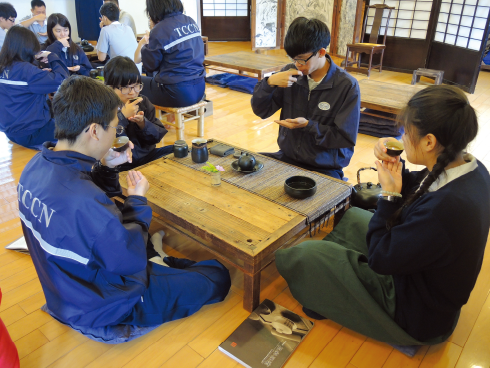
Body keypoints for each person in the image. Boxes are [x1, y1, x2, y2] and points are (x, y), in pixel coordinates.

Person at [275, 85, 490, 345]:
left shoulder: (448, 209)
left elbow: (381, 258)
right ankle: (335, 273)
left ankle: (327, 286)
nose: (402, 137)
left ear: (430, 141)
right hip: (425, 279)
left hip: (418, 314)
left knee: (305, 256)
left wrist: (389, 195)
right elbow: (423, 186)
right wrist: (396, 172)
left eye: (406, 132)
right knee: (355, 217)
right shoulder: (470, 168)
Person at [18, 75, 231, 336]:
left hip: (67, 291)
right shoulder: (82, 201)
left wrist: (105, 168)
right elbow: (128, 257)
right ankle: (161, 262)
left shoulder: (34, 166)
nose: (116, 135)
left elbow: (95, 220)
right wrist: (138, 201)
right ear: (94, 131)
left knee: (150, 251)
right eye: (114, 128)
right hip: (107, 303)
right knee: (218, 275)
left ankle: (160, 262)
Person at [251, 17, 360, 180]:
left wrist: (309, 125)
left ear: (321, 52)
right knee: (244, 169)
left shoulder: (346, 85)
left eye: (301, 59)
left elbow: (344, 138)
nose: (296, 64)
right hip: (287, 158)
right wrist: (269, 82)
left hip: (324, 167)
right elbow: (261, 111)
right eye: (292, 58)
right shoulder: (290, 73)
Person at [0, 25, 68, 148]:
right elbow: (63, 80)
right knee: (80, 125)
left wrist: (41, 75)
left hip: (10, 132)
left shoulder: (3, 66)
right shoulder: (26, 70)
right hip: (32, 132)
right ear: (28, 48)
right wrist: (52, 56)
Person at [104, 56, 173, 170]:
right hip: (120, 163)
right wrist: (122, 117)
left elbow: (156, 137)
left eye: (136, 86)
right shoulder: (103, 107)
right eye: (125, 87)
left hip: (147, 157)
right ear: (110, 88)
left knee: (179, 149)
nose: (132, 93)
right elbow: (113, 144)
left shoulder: (142, 101)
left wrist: (143, 123)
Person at [134, 0, 205, 108]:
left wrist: (148, 43)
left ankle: (141, 121)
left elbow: (150, 66)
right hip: (200, 88)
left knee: (131, 82)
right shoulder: (190, 21)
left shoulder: (159, 29)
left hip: (177, 94)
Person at [96, 2, 140, 71]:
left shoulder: (105, 30)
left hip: (123, 73)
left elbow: (101, 58)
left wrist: (103, 28)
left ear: (104, 18)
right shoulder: (128, 28)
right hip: (137, 71)